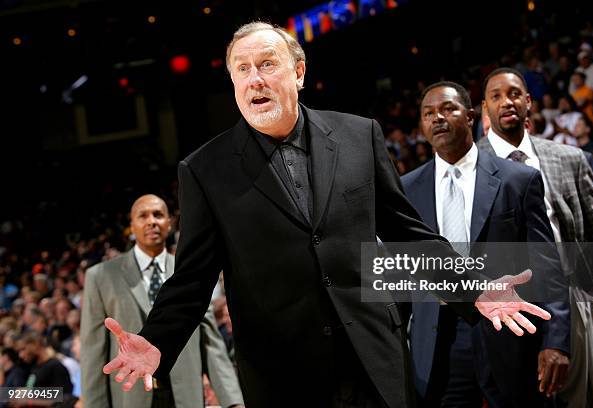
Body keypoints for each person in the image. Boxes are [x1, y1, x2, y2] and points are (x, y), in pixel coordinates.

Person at [101, 23, 552, 407]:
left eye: (267, 64)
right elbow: (194, 278)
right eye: (242, 69)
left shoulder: (359, 135)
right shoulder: (204, 170)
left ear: (298, 72)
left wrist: (473, 287)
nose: (254, 79)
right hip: (284, 375)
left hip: (375, 359)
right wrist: (157, 338)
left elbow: (406, 234)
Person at [402, 81, 570, 407]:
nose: (438, 118)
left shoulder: (517, 180)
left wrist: (557, 342)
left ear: (470, 116)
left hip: (510, 335)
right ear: (422, 125)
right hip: (437, 343)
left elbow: (547, 267)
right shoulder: (407, 189)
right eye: (428, 113)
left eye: (447, 109)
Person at [478, 67, 593, 408]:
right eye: (496, 96)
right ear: (484, 110)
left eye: (513, 94)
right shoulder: (469, 169)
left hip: (575, 302)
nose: (506, 101)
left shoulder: (571, 159)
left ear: (528, 102)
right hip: (509, 314)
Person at [81, 194, 244, 408]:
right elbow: (94, 351)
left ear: (169, 223)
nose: (152, 221)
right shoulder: (100, 276)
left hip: (185, 396)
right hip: (130, 397)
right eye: (143, 216)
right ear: (132, 225)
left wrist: (233, 402)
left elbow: (211, 344)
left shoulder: (194, 272)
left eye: (158, 215)